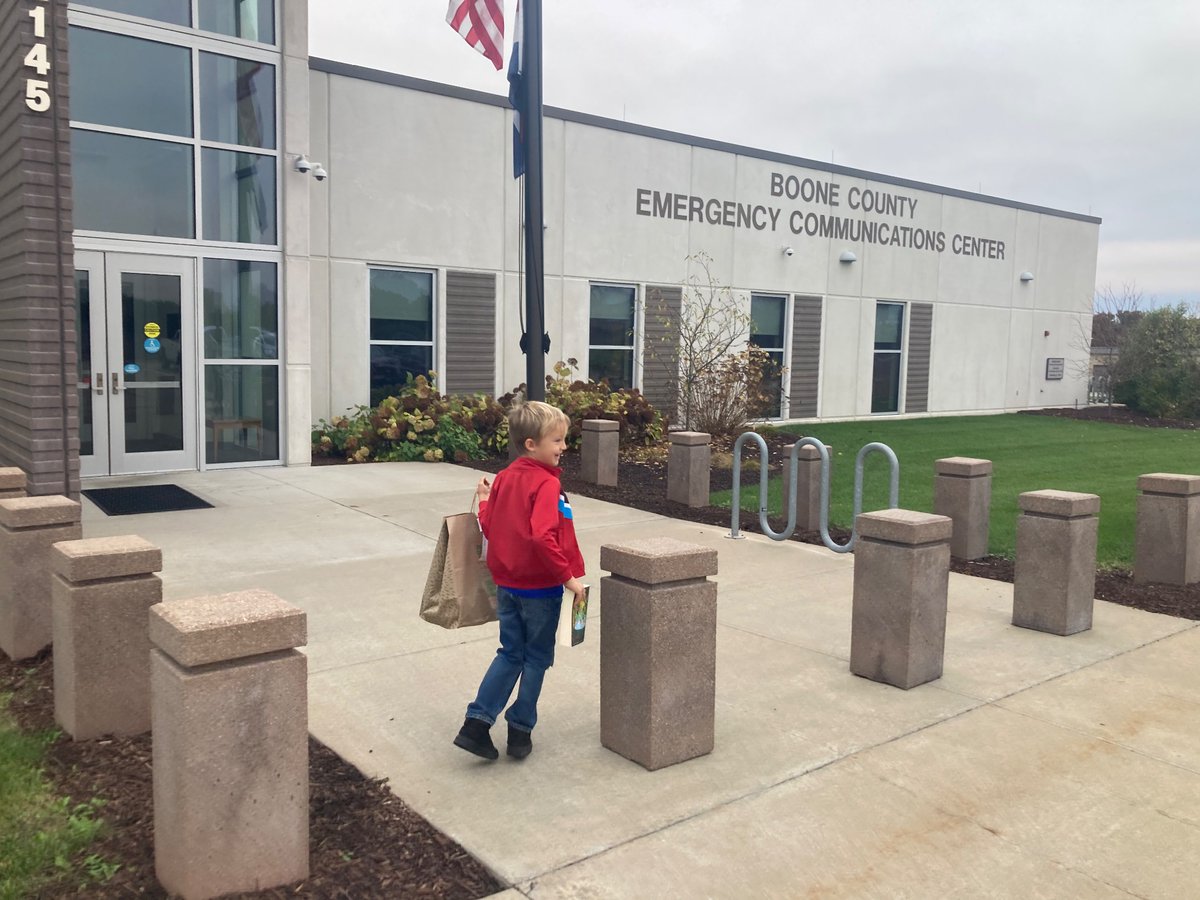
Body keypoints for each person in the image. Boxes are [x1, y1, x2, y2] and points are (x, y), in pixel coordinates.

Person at [453, 400, 587, 761]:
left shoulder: (505, 478)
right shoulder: (544, 483)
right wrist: (569, 579)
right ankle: (520, 729)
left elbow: (492, 526)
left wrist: (483, 498)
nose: (563, 447)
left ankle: (476, 724)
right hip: (540, 588)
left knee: (511, 653)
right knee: (537, 658)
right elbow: (542, 536)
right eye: (556, 441)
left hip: (507, 585)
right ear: (531, 444)